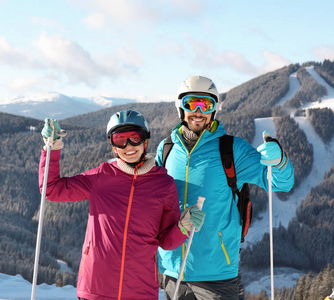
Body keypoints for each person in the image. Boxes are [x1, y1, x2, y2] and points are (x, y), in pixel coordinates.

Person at [38, 110, 206, 300]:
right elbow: (51, 189)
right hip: (96, 288)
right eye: (120, 139)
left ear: (145, 141)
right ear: (113, 145)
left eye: (135, 137)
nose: (128, 146)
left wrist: (183, 226)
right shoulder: (101, 177)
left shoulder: (163, 184)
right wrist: (52, 147)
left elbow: (167, 241)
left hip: (140, 291)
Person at [155, 76, 295, 300]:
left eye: (206, 104)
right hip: (171, 270)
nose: (198, 111)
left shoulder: (231, 149)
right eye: (191, 103)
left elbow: (281, 182)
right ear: (180, 107)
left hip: (216, 274)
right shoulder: (166, 150)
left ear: (214, 110)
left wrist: (278, 161)